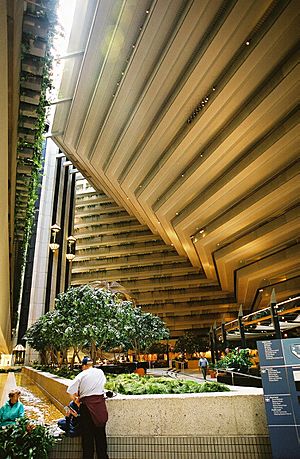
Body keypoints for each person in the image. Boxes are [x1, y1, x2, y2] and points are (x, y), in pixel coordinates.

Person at [67, 356, 109, 459]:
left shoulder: (81, 375)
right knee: (101, 437)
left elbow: (69, 390)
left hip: (86, 408)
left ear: (84, 366)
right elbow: (102, 385)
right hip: (100, 407)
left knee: (87, 439)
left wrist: (76, 401)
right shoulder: (100, 372)